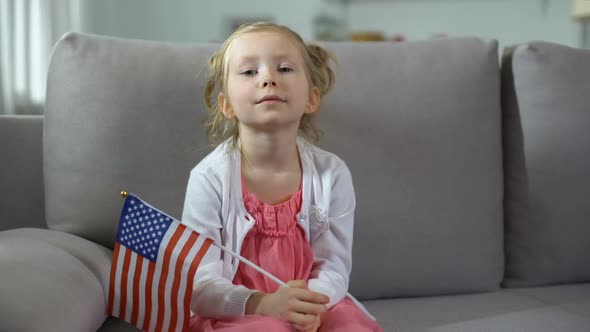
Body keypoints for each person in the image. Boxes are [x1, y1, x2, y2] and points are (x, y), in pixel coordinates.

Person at [181, 22, 382, 332]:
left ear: (312, 98)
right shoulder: (209, 179)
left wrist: (309, 304)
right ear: (226, 105)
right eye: (249, 72)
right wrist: (264, 304)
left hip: (314, 306)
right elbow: (200, 285)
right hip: (239, 312)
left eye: (285, 68)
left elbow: (334, 267)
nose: (268, 78)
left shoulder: (333, 174)